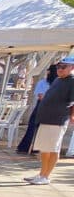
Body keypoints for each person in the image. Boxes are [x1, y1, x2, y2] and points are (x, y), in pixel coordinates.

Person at [23, 56, 74, 185]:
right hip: (45, 119)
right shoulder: (57, 80)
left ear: (72, 68)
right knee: (44, 148)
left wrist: (72, 116)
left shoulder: (72, 81)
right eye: (59, 67)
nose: (60, 69)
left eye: (63, 67)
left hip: (57, 120)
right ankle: (41, 173)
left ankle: (46, 176)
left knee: (52, 149)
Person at [16, 64, 57, 154]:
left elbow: (40, 96)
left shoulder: (43, 82)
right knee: (41, 129)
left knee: (32, 127)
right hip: (52, 108)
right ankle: (36, 147)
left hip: (42, 106)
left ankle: (26, 147)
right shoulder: (57, 84)